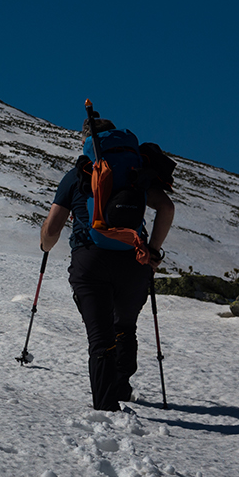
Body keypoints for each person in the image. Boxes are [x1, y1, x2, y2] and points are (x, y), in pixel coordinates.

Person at [40, 114, 174, 411]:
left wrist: (45, 245)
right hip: (133, 261)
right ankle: (122, 388)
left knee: (101, 337)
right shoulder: (135, 170)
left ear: (87, 141)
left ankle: (106, 410)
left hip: (91, 260)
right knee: (125, 325)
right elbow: (166, 206)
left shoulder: (79, 174)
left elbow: (51, 231)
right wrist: (152, 251)